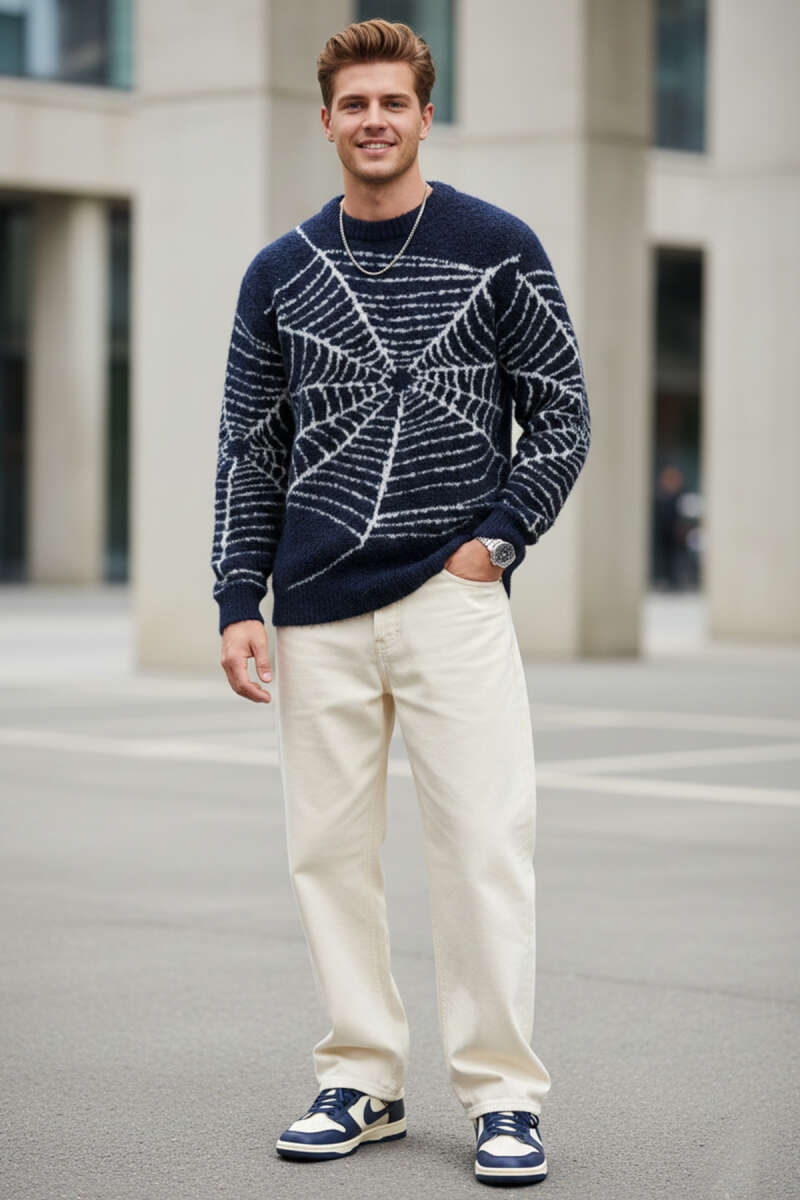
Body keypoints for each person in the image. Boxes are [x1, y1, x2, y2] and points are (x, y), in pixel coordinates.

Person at [211, 18, 591, 1188]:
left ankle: (502, 1096)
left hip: (448, 596)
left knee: (482, 847)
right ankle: (362, 1078)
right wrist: (236, 595)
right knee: (327, 855)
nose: (372, 120)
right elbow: (249, 447)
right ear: (324, 119)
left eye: (391, 102)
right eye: (353, 104)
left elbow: (562, 414)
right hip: (314, 604)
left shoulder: (497, 247)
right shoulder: (279, 271)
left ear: (425, 115)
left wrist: (493, 544)